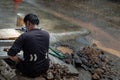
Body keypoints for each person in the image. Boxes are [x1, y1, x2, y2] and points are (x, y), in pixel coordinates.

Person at [7, 13, 50, 78]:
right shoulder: (46, 34)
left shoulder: (24, 36)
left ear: (28, 23)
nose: (25, 27)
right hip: (45, 67)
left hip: (31, 71)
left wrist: (19, 61)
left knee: (16, 60)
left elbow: (10, 54)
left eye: (25, 25)